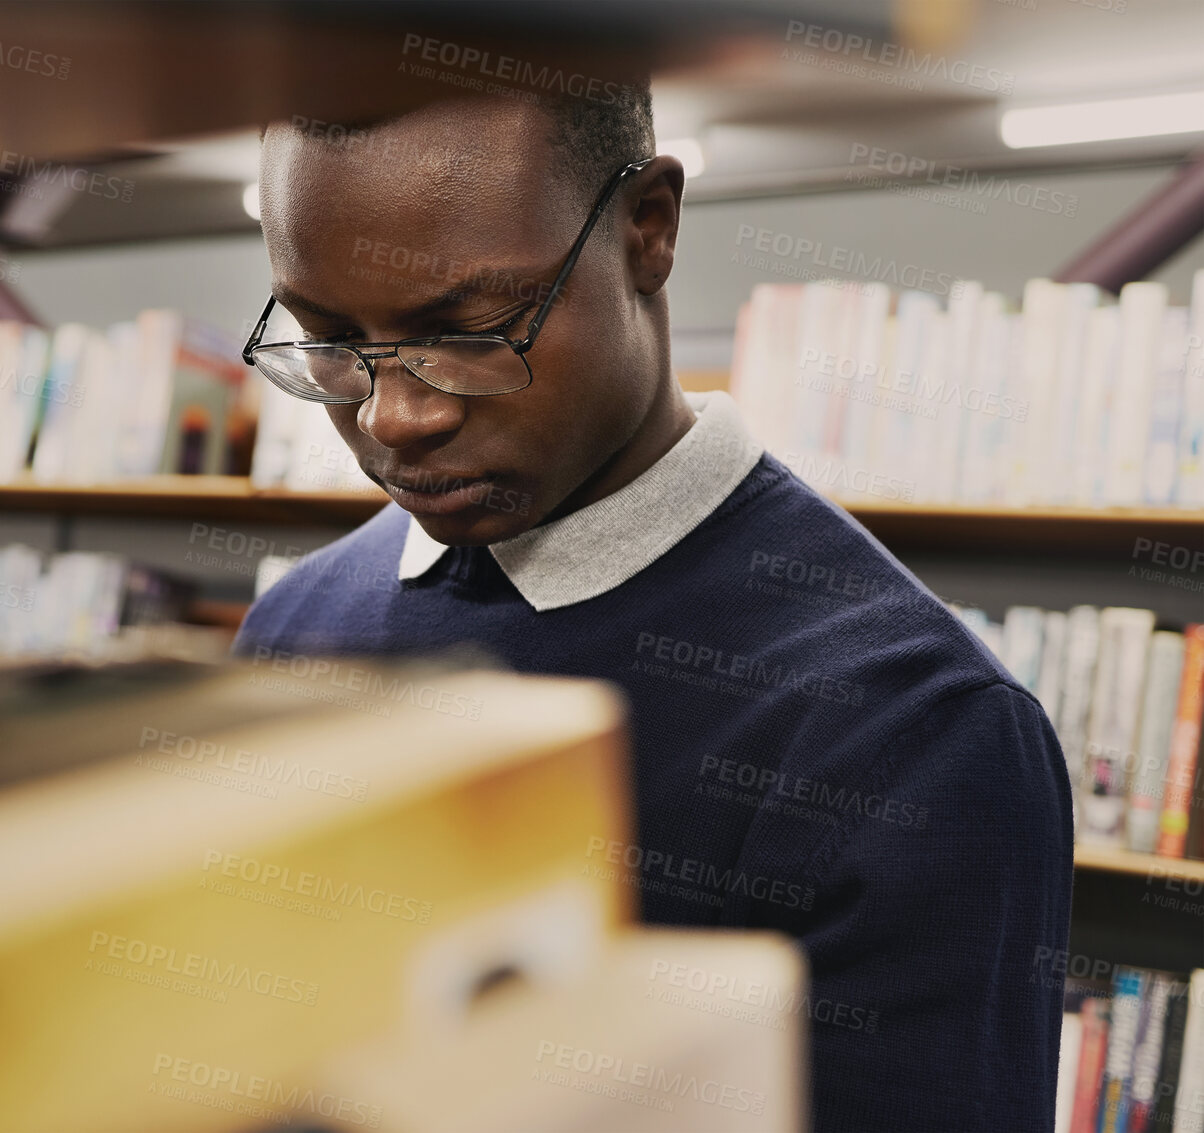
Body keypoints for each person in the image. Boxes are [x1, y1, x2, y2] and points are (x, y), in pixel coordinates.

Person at [232, 88, 1072, 1132]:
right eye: (327, 340)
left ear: (649, 230)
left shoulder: (919, 731)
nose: (394, 416)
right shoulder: (290, 635)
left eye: (470, 331)